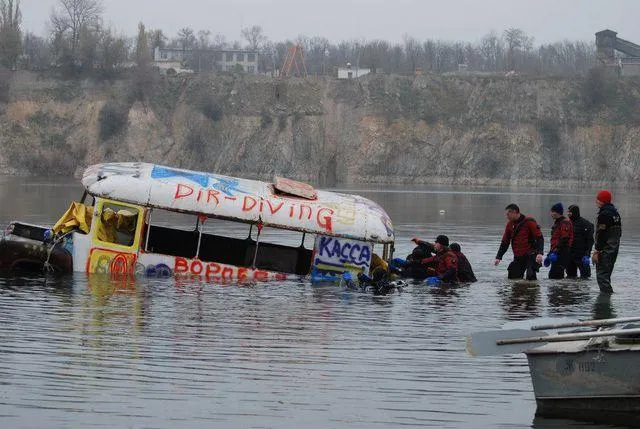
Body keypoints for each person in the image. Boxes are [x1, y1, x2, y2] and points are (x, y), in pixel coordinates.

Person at [494, 204, 544, 280]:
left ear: (514, 212)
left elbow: (539, 238)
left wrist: (540, 253)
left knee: (530, 275)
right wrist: (499, 257)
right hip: (518, 256)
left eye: (508, 214)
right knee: (512, 276)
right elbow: (505, 242)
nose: (506, 216)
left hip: (531, 254)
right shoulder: (509, 225)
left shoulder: (529, 221)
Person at [592, 190, 622, 293]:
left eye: (598, 199)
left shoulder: (604, 215)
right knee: (606, 276)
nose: (596, 201)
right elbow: (619, 234)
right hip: (614, 249)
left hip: (605, 250)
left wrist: (597, 251)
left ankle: (604, 304)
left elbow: (602, 234)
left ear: (603, 201)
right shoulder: (616, 214)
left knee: (601, 276)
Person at [546, 202, 574, 279]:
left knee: (555, 275)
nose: (550, 214)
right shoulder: (557, 222)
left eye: (552, 212)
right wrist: (550, 253)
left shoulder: (565, 222)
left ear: (556, 212)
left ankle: (560, 290)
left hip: (562, 253)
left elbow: (565, 239)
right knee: (553, 276)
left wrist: (556, 251)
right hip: (556, 252)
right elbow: (555, 239)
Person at [566, 204, 594, 279]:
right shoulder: (567, 223)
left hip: (582, 255)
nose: (568, 214)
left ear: (574, 212)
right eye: (567, 212)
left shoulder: (586, 224)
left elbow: (590, 240)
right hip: (570, 255)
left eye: (570, 212)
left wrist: (587, 254)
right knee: (570, 277)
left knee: (585, 277)